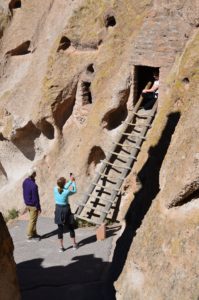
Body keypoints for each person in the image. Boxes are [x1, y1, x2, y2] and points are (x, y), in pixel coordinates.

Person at [54, 175, 78, 252]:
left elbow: (63, 187)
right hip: (66, 209)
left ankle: (61, 247)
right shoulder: (66, 192)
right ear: (64, 184)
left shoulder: (55, 188)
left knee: (60, 228)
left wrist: (70, 181)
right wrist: (73, 182)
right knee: (70, 226)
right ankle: (74, 245)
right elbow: (74, 191)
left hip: (58, 209)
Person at [22, 168, 41, 241]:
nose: (36, 173)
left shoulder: (25, 182)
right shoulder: (33, 185)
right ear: (33, 174)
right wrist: (38, 207)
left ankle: (34, 233)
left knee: (33, 219)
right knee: (32, 220)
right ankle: (29, 235)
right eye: (35, 172)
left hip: (27, 203)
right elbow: (36, 198)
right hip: (33, 205)